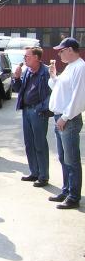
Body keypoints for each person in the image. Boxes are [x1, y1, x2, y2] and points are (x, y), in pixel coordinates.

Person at [47, 38, 85, 209]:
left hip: (68, 120)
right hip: (61, 118)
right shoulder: (71, 67)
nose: (59, 53)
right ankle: (67, 189)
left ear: (70, 49)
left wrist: (65, 117)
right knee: (64, 158)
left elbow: (79, 97)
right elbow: (60, 89)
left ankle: (73, 196)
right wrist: (54, 76)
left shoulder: (80, 67)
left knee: (71, 160)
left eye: (61, 51)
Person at [12, 46, 51, 187]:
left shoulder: (46, 72)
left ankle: (43, 176)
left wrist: (41, 108)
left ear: (36, 57)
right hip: (26, 111)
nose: (24, 59)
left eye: (27, 56)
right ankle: (34, 172)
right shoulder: (27, 71)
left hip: (38, 112)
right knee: (29, 143)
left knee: (39, 143)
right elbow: (18, 90)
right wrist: (16, 78)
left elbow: (51, 94)